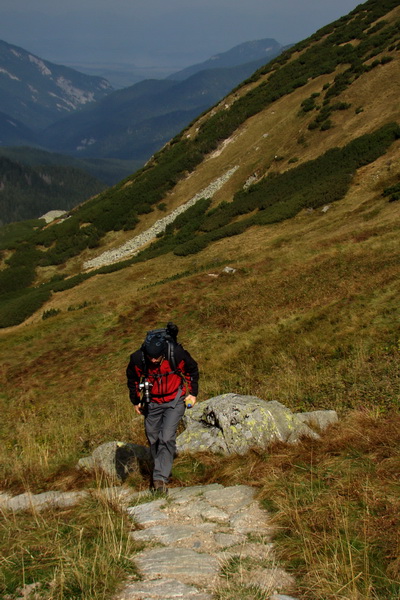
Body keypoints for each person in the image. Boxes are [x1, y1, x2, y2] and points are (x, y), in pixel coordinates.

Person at [126, 326, 199, 493]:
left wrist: (193, 393)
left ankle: (159, 479)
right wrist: (136, 400)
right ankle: (162, 466)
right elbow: (132, 379)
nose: (153, 361)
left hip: (175, 400)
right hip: (152, 402)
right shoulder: (138, 358)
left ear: (163, 352)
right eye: (150, 357)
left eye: (156, 358)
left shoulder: (176, 354)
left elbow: (192, 370)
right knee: (153, 437)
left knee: (166, 437)